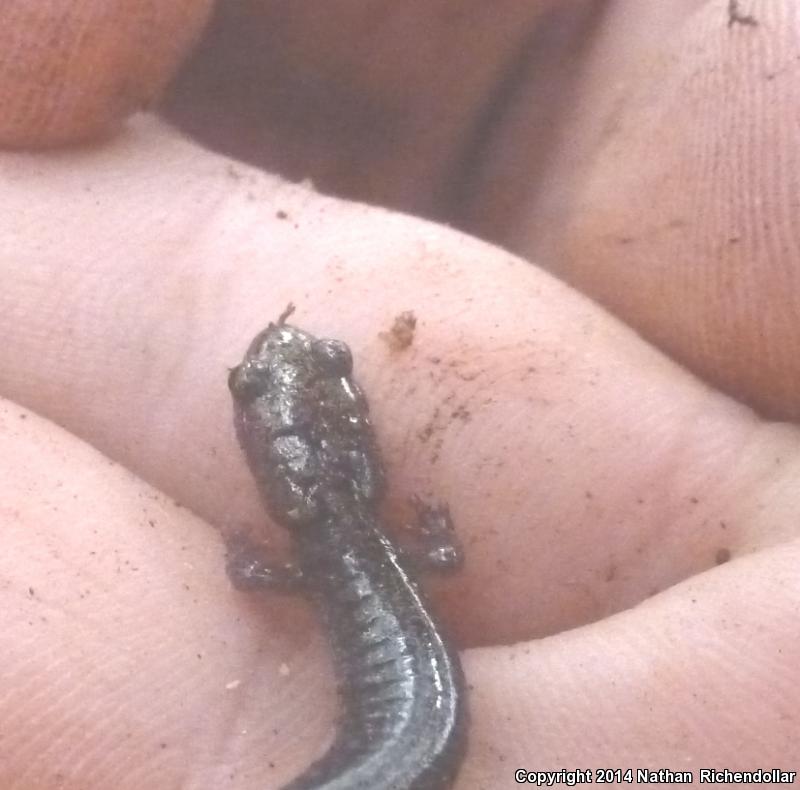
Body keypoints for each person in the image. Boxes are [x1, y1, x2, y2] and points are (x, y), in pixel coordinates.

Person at [1, 2, 797, 787]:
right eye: (253, 388)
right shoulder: (369, 552)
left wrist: (244, 554)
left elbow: (282, 574)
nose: (275, 363)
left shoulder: (326, 560)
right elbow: (431, 556)